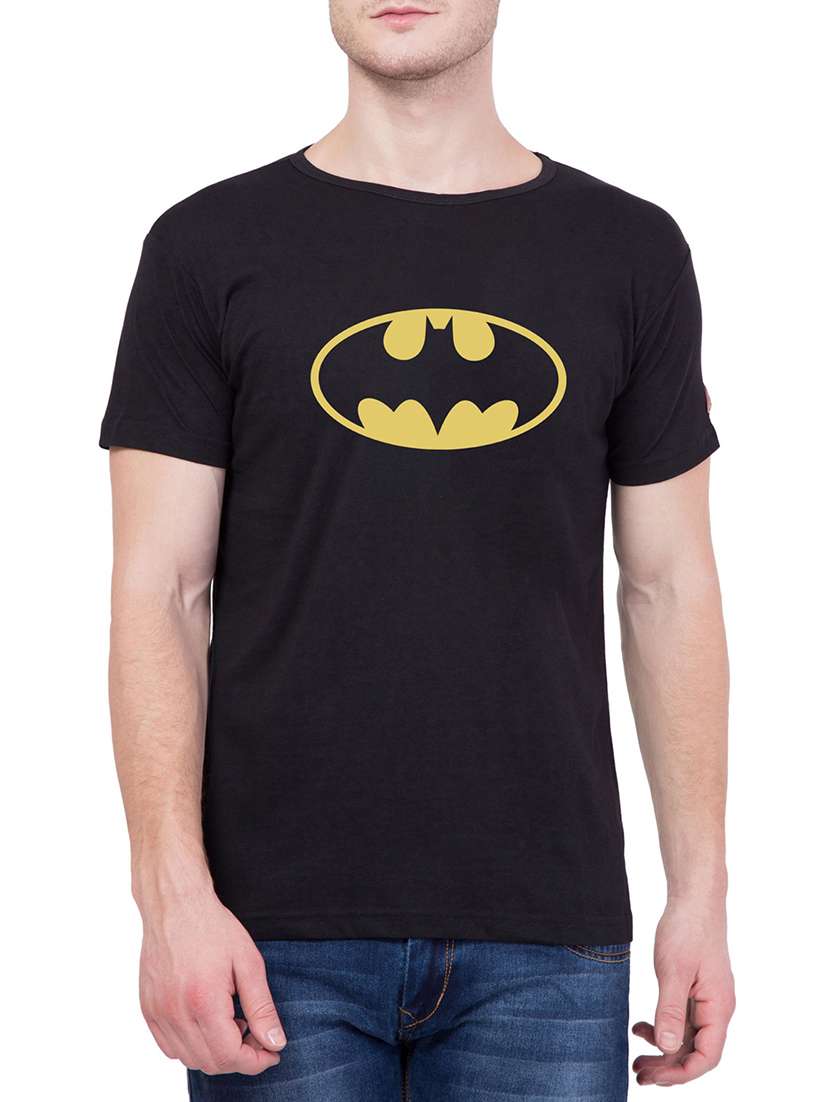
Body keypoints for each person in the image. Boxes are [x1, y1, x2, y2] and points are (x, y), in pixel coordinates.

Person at [100, 2, 735, 1098]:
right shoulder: (208, 247)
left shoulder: (627, 251)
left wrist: (701, 894)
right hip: (269, 934)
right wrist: (170, 899)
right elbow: (159, 591)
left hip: (548, 932)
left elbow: (668, 587)